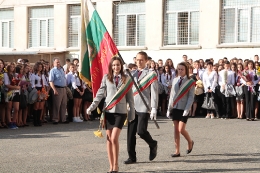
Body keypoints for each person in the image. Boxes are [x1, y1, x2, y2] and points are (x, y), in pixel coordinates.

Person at [87, 57, 135, 173]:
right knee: (109, 139)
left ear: (121, 66)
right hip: (108, 111)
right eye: (113, 65)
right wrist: (92, 107)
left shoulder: (127, 79)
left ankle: (116, 164)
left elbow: (130, 98)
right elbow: (100, 93)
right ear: (111, 66)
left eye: (118, 65)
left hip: (121, 111)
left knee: (114, 138)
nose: (116, 67)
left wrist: (132, 114)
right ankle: (111, 166)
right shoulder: (106, 78)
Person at [124, 51, 158, 164]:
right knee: (130, 133)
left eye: (141, 60)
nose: (138, 62)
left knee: (141, 131)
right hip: (132, 107)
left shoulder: (151, 74)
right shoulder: (131, 73)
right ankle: (132, 157)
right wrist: (123, 71)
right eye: (137, 60)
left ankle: (152, 144)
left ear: (146, 61)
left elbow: (154, 92)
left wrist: (154, 108)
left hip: (144, 106)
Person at [166, 62, 195, 157]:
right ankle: (177, 151)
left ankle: (190, 142)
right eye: (179, 69)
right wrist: (169, 108)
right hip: (175, 107)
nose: (180, 71)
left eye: (182, 69)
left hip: (184, 108)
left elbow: (191, 97)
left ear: (186, 70)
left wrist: (187, 109)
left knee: (181, 129)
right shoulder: (174, 80)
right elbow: (172, 95)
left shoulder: (190, 81)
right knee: (175, 130)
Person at [49, 58, 69, 124]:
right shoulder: (52, 71)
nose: (58, 63)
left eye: (59, 62)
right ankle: (55, 119)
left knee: (64, 104)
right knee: (56, 105)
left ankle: (63, 119)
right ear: (53, 63)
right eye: (57, 62)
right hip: (57, 88)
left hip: (63, 88)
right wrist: (54, 90)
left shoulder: (62, 70)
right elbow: (51, 81)